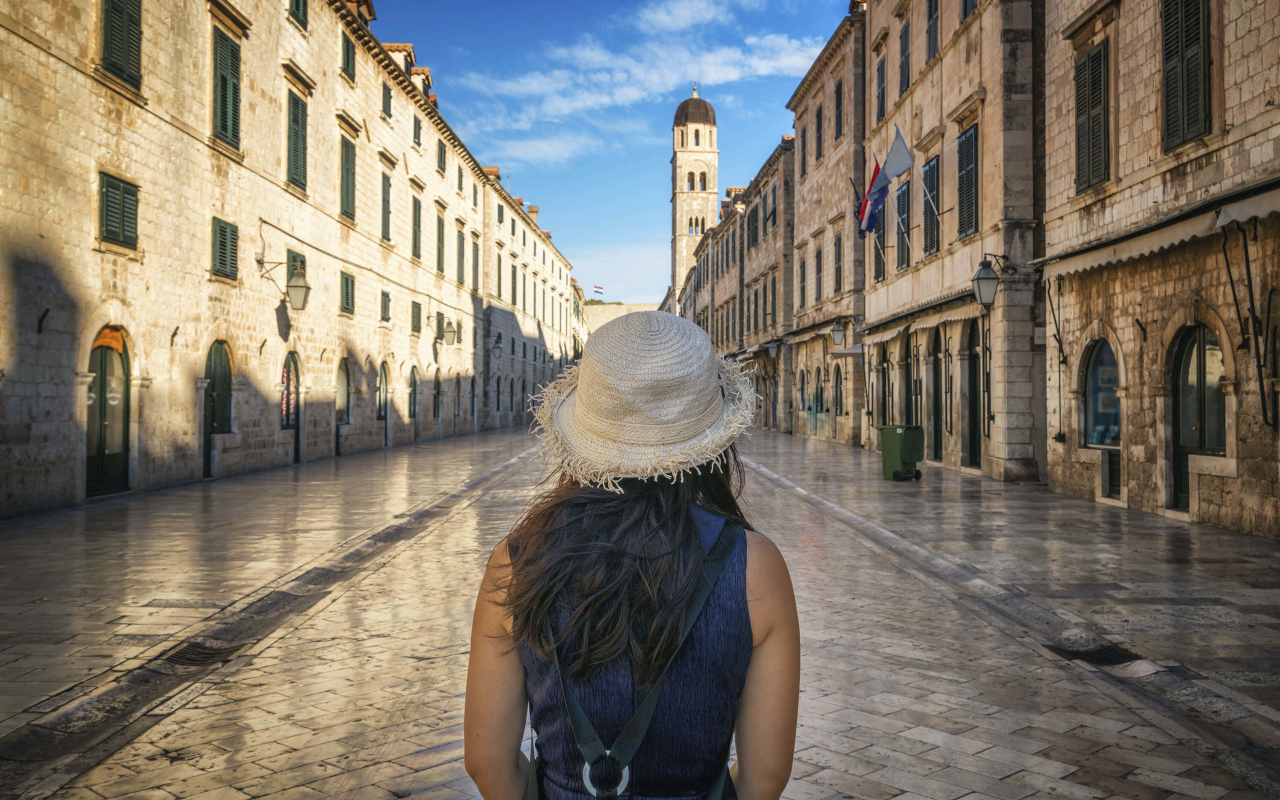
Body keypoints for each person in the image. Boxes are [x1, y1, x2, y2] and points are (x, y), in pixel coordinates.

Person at [465, 310, 800, 800]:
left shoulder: (516, 560)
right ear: (712, 440)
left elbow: (489, 766)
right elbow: (763, 779)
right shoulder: (757, 567)